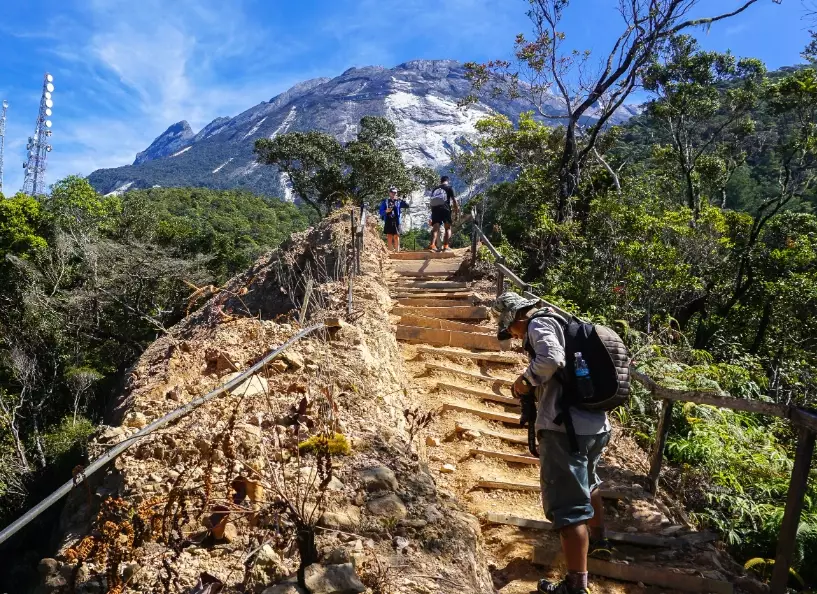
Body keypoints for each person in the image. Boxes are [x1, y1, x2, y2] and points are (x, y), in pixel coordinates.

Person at [492, 291, 612, 594]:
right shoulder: (564, 322)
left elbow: (551, 358)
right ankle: (600, 542)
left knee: (568, 506)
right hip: (595, 425)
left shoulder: (538, 324)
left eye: (510, 329)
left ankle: (576, 585)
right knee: (589, 481)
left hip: (565, 428)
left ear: (515, 317)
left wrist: (524, 381)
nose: (514, 336)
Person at [427, 175, 459, 252]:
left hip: (435, 209)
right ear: (448, 181)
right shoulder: (449, 188)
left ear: (440, 181)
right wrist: (456, 211)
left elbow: (431, 201)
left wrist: (432, 213)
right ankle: (445, 247)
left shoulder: (435, 189)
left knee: (435, 228)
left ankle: (432, 246)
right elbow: (454, 201)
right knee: (447, 228)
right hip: (445, 209)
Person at [379, 187, 409, 252]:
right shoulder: (385, 201)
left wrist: (403, 199)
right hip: (388, 219)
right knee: (389, 236)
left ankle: (397, 251)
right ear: (389, 193)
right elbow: (381, 211)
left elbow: (406, 205)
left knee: (396, 235)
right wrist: (386, 211)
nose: (393, 194)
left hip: (397, 220)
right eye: (392, 192)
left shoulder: (398, 201)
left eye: (395, 192)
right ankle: (390, 251)